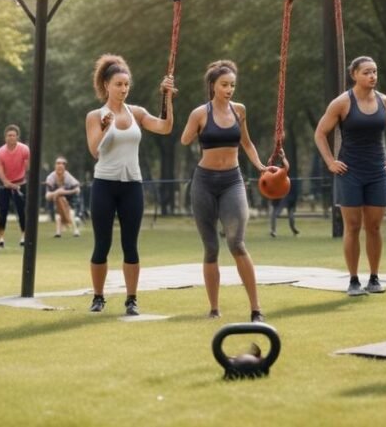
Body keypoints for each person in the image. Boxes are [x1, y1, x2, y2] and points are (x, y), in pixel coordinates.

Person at [85, 54, 175, 316]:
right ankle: (98, 297)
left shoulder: (137, 113)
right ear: (106, 86)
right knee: (102, 244)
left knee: (130, 245)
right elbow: (94, 150)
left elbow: (165, 127)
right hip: (104, 185)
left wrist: (167, 96)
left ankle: (131, 299)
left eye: (126, 84)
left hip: (132, 186)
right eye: (118, 84)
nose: (123, 89)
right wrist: (104, 128)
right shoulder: (95, 115)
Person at [180, 60, 267, 322]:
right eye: (224, 85)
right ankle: (214, 309)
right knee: (211, 248)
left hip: (232, 181)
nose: (229, 89)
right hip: (204, 182)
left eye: (232, 85)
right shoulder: (200, 113)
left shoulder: (239, 110)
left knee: (236, 243)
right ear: (213, 86)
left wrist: (262, 167)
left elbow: (247, 143)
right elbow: (185, 140)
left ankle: (256, 309)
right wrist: (193, 125)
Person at [314, 56, 386, 296]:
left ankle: (374, 278)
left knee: (373, 227)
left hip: (378, 171)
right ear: (354, 75)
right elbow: (320, 133)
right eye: (366, 72)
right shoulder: (341, 103)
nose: (372, 76)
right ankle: (353, 280)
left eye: (374, 71)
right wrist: (331, 162)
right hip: (350, 171)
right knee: (352, 226)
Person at [0, 124, 30, 248]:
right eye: (9, 135)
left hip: (20, 184)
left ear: (17, 137)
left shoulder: (24, 149)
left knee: (22, 212)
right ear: (5, 137)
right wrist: (6, 182)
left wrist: (17, 185)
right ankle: (0, 238)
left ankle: (24, 236)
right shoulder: (0, 153)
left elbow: (27, 167)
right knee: (3, 212)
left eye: (13, 135)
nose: (11, 137)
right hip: (5, 185)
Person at [45, 156, 81, 238]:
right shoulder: (51, 178)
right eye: (58, 163)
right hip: (55, 199)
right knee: (59, 207)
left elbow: (77, 190)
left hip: (69, 198)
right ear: (55, 165)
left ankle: (75, 229)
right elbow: (47, 196)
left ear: (65, 167)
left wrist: (64, 192)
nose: (60, 165)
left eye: (63, 164)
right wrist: (56, 193)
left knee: (70, 211)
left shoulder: (68, 177)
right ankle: (58, 231)